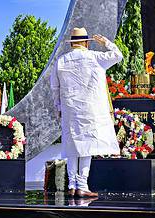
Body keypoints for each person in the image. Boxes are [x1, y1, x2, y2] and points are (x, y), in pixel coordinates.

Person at [50, 27, 123, 197]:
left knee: (72, 147)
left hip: (69, 110)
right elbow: (118, 55)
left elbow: (55, 88)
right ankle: (82, 185)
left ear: (72, 43)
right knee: (86, 147)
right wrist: (106, 43)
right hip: (90, 110)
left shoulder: (61, 61)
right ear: (85, 42)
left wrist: (58, 108)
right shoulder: (95, 57)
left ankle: (72, 186)